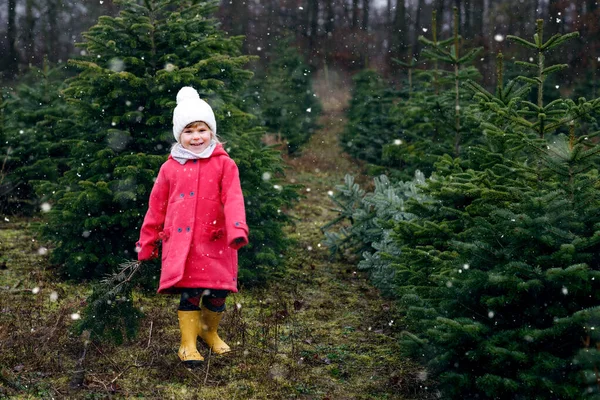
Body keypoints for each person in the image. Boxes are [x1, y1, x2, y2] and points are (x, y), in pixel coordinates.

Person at [136, 86, 249, 368]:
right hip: (184, 244)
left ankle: (209, 332)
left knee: (218, 292)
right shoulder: (169, 168)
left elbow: (234, 198)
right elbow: (156, 208)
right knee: (191, 292)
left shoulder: (225, 165)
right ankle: (187, 343)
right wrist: (147, 242)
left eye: (202, 130)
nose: (196, 137)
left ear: (211, 132)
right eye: (188, 131)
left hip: (216, 240)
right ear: (179, 135)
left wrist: (237, 229)